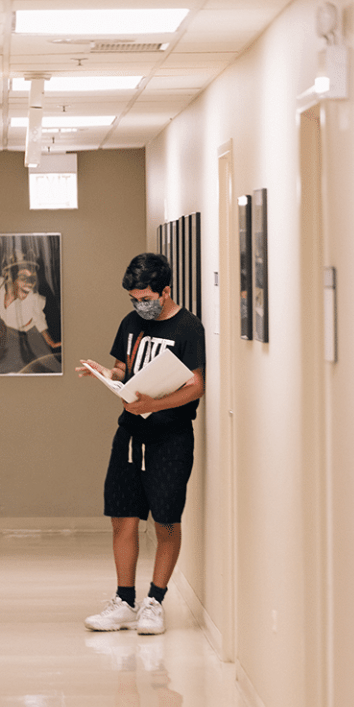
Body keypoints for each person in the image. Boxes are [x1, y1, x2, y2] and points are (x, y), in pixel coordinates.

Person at [77, 253, 205, 635]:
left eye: (146, 297)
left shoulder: (188, 328)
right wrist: (106, 374)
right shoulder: (131, 322)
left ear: (165, 290)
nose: (139, 305)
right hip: (130, 434)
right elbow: (123, 367)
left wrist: (154, 405)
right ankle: (124, 600)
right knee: (123, 515)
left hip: (171, 437)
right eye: (134, 298)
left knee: (166, 519)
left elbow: (196, 384)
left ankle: (155, 601)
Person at [0, 252, 61, 374]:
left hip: (29, 330)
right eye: (23, 277)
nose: (30, 283)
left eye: (32, 278)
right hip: (8, 330)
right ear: (7, 275)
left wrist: (52, 343)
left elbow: (40, 323)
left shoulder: (34, 300)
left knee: (43, 363)